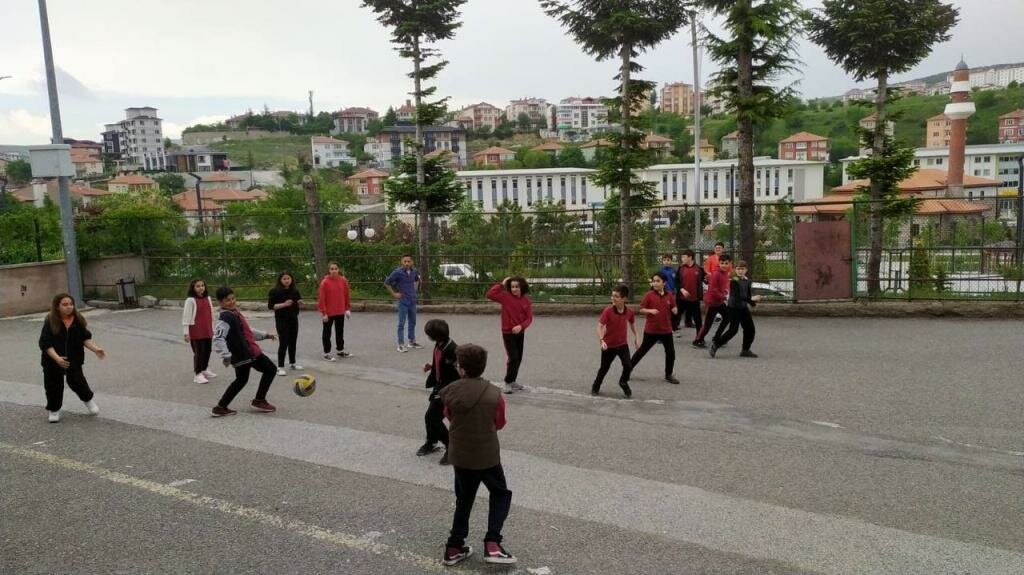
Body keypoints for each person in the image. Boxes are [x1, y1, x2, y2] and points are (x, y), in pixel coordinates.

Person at [439, 344, 516, 566]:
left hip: (461, 454)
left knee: (464, 498)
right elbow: (499, 423)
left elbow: (449, 415)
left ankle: (454, 546)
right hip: (486, 454)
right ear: (482, 367)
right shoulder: (494, 394)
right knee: (500, 493)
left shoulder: (450, 390)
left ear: (461, 368)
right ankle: (493, 543)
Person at [211, 286, 279, 417]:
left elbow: (247, 330)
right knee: (270, 369)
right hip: (246, 353)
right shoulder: (225, 317)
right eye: (227, 300)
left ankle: (220, 407)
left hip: (246, 353)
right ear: (220, 302)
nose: (231, 302)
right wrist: (226, 356)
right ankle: (259, 400)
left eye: (233, 298)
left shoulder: (234, 313)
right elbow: (218, 338)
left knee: (241, 380)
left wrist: (265, 335)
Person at [39, 293, 105, 423]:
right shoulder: (50, 321)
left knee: (78, 381)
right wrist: (57, 358)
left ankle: (89, 401)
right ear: (57, 306)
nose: (69, 307)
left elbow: (85, 338)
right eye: (65, 304)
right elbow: (45, 343)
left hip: (73, 358)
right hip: (52, 360)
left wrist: (96, 349)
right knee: (53, 385)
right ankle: (54, 410)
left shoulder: (77, 320)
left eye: (71, 304)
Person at [629, 272, 680, 385]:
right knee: (642, 351)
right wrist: (650, 310)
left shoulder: (669, 295)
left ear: (664, 282)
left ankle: (668, 374)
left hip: (666, 329)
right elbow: (641, 309)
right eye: (654, 281)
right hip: (651, 330)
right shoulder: (649, 295)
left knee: (670, 353)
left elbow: (674, 306)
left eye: (658, 281)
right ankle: (628, 369)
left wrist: (675, 309)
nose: (655, 283)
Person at [419, 319, 458, 465]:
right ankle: (431, 441)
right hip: (439, 385)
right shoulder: (440, 343)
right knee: (430, 417)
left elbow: (459, 370)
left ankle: (451, 447)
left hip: (447, 389)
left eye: (429, 334)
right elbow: (439, 360)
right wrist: (432, 366)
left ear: (435, 336)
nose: (428, 337)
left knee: (432, 418)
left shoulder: (452, 350)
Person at [486, 276, 533, 394]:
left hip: (520, 333)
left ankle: (513, 381)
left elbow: (529, 318)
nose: (514, 289)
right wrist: (501, 284)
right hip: (508, 333)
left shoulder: (526, 300)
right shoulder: (505, 297)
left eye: (517, 287)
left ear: (522, 287)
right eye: (512, 287)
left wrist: (521, 326)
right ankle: (507, 382)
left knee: (519, 358)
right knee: (513, 357)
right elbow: (490, 294)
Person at [592, 284, 638, 398]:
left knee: (628, 365)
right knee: (604, 368)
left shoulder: (629, 312)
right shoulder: (608, 311)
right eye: (612, 295)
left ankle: (623, 382)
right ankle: (595, 386)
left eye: (616, 296)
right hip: (609, 345)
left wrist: (636, 336)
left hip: (622, 345)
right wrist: (602, 341)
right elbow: (599, 327)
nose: (613, 298)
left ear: (624, 299)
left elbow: (632, 324)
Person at [710, 260, 761, 358]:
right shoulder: (734, 280)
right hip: (733, 307)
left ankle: (745, 350)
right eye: (738, 269)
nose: (740, 271)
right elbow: (739, 296)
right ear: (735, 270)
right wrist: (752, 299)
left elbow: (747, 294)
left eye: (742, 269)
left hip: (743, 307)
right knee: (733, 330)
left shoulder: (747, 280)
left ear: (746, 270)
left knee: (750, 329)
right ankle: (716, 344)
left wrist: (752, 303)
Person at [268, 271, 305, 375]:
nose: (286, 281)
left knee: (293, 342)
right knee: (283, 343)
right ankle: (280, 366)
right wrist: (284, 304)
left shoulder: (295, 291)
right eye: (284, 279)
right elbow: (271, 306)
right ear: (280, 280)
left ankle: (293, 363)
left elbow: (298, 302)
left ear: (291, 279)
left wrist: (300, 303)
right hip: (281, 320)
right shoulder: (274, 291)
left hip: (293, 319)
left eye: (288, 278)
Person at [694, 254, 733, 348]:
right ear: (719, 263)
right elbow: (713, 290)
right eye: (722, 263)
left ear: (730, 264)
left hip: (719, 302)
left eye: (726, 263)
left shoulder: (725, 273)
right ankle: (697, 341)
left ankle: (716, 337)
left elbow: (722, 287)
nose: (724, 265)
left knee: (728, 317)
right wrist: (723, 296)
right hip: (712, 302)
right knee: (708, 324)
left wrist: (726, 292)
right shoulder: (716, 274)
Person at [182, 278, 217, 384]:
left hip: (207, 329)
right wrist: (186, 333)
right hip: (196, 331)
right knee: (199, 352)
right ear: (193, 288)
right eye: (198, 286)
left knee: (208, 350)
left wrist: (213, 328)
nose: (201, 288)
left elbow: (211, 315)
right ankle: (197, 374)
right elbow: (186, 317)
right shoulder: (190, 300)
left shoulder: (208, 298)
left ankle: (205, 369)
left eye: (202, 285)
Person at [384, 255, 421, 353]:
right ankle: (400, 344)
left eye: (409, 261)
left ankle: (411, 341)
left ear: (412, 262)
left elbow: (417, 280)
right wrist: (394, 294)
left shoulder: (414, 271)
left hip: (412, 301)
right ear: (402, 262)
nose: (407, 263)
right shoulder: (397, 272)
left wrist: (415, 290)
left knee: (412, 322)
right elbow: (387, 283)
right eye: (405, 261)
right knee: (401, 323)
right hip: (403, 301)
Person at [318, 262, 352, 361]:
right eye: (332, 269)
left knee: (340, 331)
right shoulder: (325, 282)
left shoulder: (343, 281)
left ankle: (340, 350)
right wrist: (324, 313)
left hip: (340, 311)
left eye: (336, 268)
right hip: (328, 313)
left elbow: (346, 295)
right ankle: (326, 353)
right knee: (327, 333)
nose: (334, 270)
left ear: (338, 269)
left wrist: (347, 308)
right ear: (329, 270)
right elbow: (322, 299)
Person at [676, 250, 705, 339]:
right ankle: (664, 335)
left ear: (690, 257)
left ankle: (699, 338)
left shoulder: (699, 269)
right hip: (681, 299)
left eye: (684, 257)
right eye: (682, 257)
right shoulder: (681, 268)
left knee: (698, 320)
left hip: (694, 300)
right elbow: (677, 282)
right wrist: (682, 289)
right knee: (674, 317)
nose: (682, 259)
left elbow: (705, 279)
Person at [659, 254, 682, 336]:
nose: (666, 262)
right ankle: (662, 331)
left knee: (673, 311)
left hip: (672, 294)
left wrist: (676, 290)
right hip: (664, 294)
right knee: (664, 312)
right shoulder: (660, 271)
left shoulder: (674, 271)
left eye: (668, 260)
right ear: (662, 261)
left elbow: (676, 282)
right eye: (665, 260)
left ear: (671, 261)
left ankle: (674, 328)